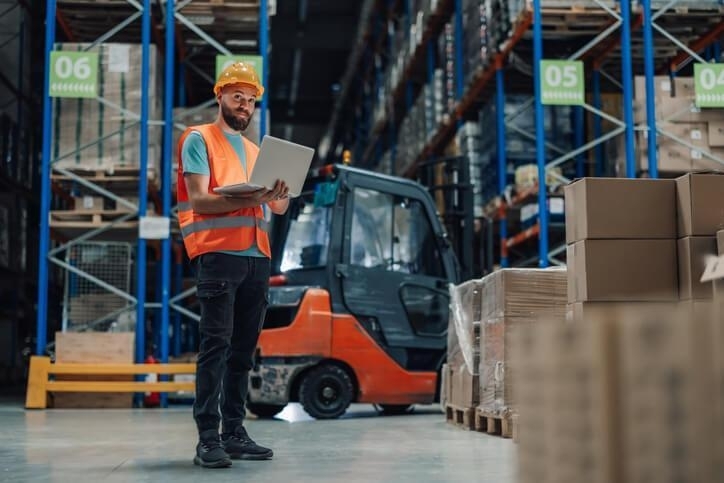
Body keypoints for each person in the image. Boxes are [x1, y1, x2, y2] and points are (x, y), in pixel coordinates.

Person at [176, 61, 289, 469]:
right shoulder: (197, 139)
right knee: (216, 347)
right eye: (237, 96)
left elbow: (276, 206)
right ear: (219, 96)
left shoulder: (258, 151)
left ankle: (234, 432)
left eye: (251, 100)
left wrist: (281, 190)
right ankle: (208, 437)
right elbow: (201, 201)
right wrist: (253, 198)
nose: (244, 105)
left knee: (243, 351)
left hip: (257, 258)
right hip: (219, 255)